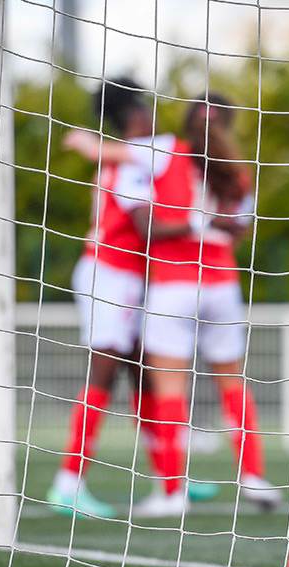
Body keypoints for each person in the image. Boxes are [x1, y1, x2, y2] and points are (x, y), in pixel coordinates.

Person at [49, 78, 198, 519]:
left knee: (142, 377)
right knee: (105, 371)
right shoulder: (134, 163)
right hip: (110, 276)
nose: (152, 114)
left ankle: (171, 478)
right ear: (134, 114)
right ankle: (67, 483)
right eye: (145, 108)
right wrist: (197, 224)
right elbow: (144, 225)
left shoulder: (126, 160)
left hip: (123, 278)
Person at [138, 93, 281, 516]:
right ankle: (253, 476)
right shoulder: (238, 172)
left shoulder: (164, 153)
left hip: (173, 285)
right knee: (233, 385)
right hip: (220, 284)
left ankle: (171, 493)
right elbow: (241, 230)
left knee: (168, 391)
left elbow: (149, 224)